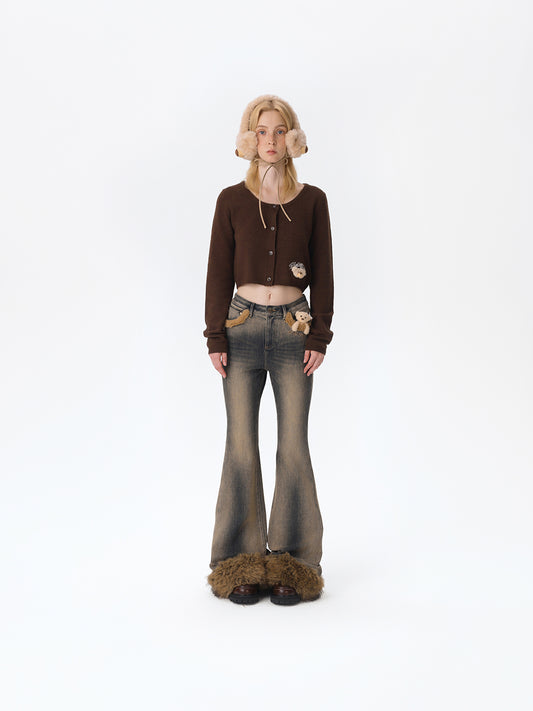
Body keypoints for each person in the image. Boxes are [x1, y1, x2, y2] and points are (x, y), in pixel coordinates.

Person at [203, 94, 334, 605]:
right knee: (240, 444)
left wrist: (319, 335)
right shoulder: (231, 201)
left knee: (293, 445)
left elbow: (324, 273)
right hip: (240, 328)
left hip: (293, 331)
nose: (271, 140)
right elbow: (218, 270)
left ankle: (293, 563)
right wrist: (215, 335)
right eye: (262, 131)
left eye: (280, 131)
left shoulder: (313, 201)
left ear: (293, 138)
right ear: (248, 138)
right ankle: (239, 562)